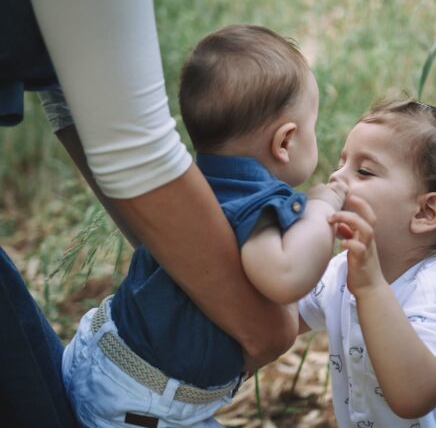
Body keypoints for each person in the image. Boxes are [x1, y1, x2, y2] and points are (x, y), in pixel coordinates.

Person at [1, 0, 296, 426]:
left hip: (100, 355)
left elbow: (70, 93)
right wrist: (272, 330)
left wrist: (175, 255)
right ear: (286, 140)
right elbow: (135, 148)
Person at [62, 24, 347, 427]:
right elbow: (284, 275)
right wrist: (321, 209)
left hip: (97, 354)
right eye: (312, 127)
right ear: (285, 142)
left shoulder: (195, 187)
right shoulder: (255, 202)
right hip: (140, 405)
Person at [298, 100, 436, 427]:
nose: (335, 177)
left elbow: (413, 396)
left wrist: (370, 288)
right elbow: (281, 316)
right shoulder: (340, 270)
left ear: (425, 212)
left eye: (364, 171)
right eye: (341, 164)